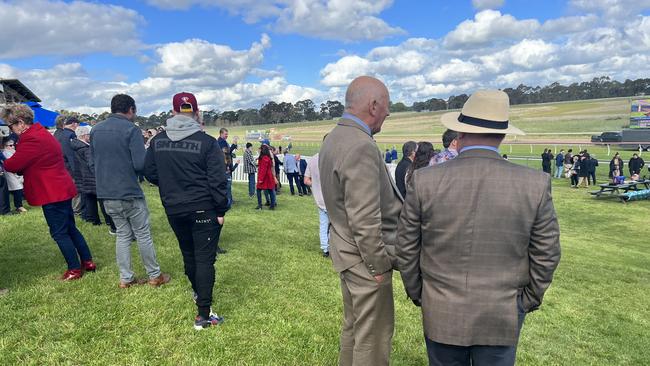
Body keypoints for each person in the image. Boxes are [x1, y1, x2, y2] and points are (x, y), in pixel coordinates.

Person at [397, 90, 561, 366]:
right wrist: (526, 300)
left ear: (460, 134)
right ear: (502, 135)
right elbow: (547, 253)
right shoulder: (533, 184)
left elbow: (406, 246)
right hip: (502, 311)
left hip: (442, 308)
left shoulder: (425, 181)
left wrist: (419, 293)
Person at [319, 76, 403, 366]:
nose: (389, 113)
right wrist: (378, 267)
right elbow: (365, 220)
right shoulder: (360, 145)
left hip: (346, 250)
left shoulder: (334, 137)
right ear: (374, 104)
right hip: (364, 259)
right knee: (373, 339)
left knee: (354, 329)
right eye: (387, 106)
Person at [144, 92, 228, 330]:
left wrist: (170, 185)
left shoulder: (158, 141)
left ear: (173, 113)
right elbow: (218, 180)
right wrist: (221, 209)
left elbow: (148, 171)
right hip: (204, 207)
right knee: (203, 259)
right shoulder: (207, 142)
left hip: (174, 208)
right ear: (197, 113)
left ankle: (197, 293)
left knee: (189, 254)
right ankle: (203, 314)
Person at [2, 104, 96, 280]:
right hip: (60, 187)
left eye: (11, 125)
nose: (11, 129)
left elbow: (12, 164)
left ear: (21, 123)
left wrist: (8, 159)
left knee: (59, 232)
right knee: (70, 227)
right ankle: (87, 261)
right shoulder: (41, 133)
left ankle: (74, 269)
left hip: (51, 190)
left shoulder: (30, 138)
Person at [91, 94, 170, 289]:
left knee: (123, 235)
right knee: (142, 233)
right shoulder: (131, 130)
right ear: (131, 109)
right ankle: (154, 275)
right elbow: (140, 163)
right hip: (128, 191)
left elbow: (92, 161)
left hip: (106, 192)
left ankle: (126, 278)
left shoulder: (95, 130)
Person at [71, 126, 115, 231]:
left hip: (82, 177)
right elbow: (92, 164)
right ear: (85, 135)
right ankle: (108, 220)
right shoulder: (85, 148)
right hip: (91, 176)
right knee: (101, 199)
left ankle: (92, 219)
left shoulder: (75, 146)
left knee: (89, 199)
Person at [304, 152, 329, 257]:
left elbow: (306, 180)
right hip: (333, 199)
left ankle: (325, 248)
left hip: (320, 199)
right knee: (335, 225)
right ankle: (332, 246)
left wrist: (316, 185)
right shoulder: (333, 157)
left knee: (323, 224)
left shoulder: (313, 159)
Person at [2, 138, 26, 213]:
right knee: (17, 190)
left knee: (17, 190)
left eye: (13, 145)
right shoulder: (6, 153)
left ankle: (18, 205)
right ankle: (19, 206)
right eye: (10, 145)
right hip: (12, 175)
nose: (13, 147)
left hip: (15, 174)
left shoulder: (12, 152)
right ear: (5, 146)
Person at [255, 144, 277, 210]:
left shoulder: (264, 158)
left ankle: (260, 205)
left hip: (265, 177)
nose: (259, 150)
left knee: (259, 190)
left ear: (262, 150)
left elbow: (263, 169)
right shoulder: (267, 157)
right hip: (268, 176)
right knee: (270, 190)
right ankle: (272, 205)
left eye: (260, 149)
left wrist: (261, 179)